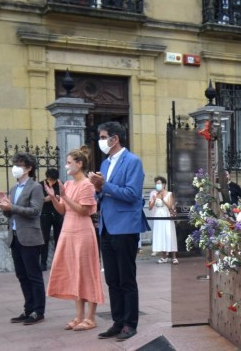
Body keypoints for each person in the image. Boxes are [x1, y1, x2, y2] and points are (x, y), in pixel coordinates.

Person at [89, 121, 148, 342]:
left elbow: (132, 194)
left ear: (115, 139)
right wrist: (97, 189)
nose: (100, 141)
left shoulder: (132, 161)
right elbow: (101, 194)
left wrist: (104, 186)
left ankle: (130, 323)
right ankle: (118, 321)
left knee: (126, 278)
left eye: (103, 137)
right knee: (112, 279)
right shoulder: (104, 164)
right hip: (106, 226)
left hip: (125, 227)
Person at [44, 147, 104, 332]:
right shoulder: (68, 185)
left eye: (70, 162)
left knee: (87, 272)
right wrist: (55, 198)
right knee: (73, 273)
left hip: (83, 232)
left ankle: (90, 317)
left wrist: (64, 197)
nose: (67, 166)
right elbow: (63, 210)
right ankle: (79, 316)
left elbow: (84, 210)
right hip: (68, 231)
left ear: (79, 164)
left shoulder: (87, 184)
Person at [0, 152, 46, 325]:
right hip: (15, 236)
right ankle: (28, 308)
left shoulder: (35, 187)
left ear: (29, 168)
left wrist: (13, 206)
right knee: (22, 275)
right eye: (15, 164)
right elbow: (10, 213)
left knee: (34, 275)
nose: (15, 168)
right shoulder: (13, 188)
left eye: (19, 165)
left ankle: (38, 311)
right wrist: (5, 206)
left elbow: (35, 211)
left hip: (30, 236)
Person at [148, 176, 178, 264]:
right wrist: (153, 200)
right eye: (156, 184)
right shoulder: (154, 194)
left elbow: (171, 206)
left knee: (169, 234)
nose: (157, 185)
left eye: (159, 183)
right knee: (160, 235)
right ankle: (164, 257)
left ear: (164, 185)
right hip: (158, 216)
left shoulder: (169, 194)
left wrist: (162, 199)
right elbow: (150, 207)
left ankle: (174, 257)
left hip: (167, 215)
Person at [40, 167, 64, 271]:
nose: (52, 182)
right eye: (51, 179)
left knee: (59, 238)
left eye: (54, 180)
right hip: (45, 214)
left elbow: (65, 197)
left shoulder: (60, 184)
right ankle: (43, 263)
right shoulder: (40, 185)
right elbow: (38, 200)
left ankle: (58, 262)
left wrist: (58, 198)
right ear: (47, 177)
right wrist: (47, 198)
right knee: (44, 239)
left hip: (57, 214)